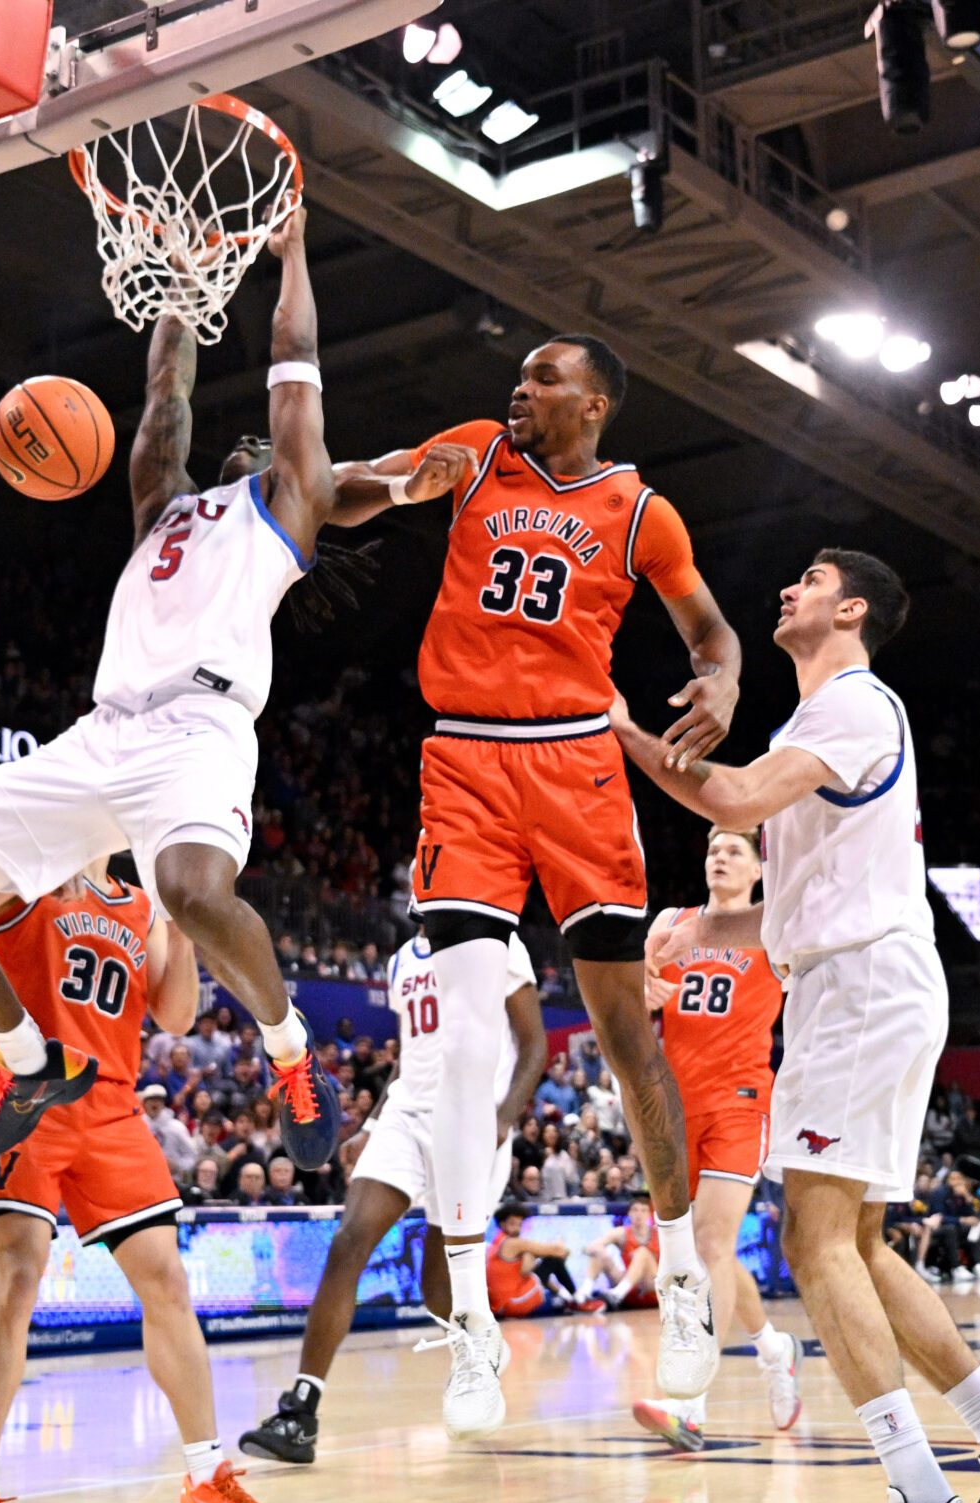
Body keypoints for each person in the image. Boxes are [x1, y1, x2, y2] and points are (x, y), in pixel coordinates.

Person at [612, 547, 980, 1503]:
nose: (787, 586)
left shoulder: (853, 703)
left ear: (854, 606)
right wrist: (705, 936)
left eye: (812, 577)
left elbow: (728, 794)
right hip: (865, 977)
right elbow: (803, 893)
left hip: (860, 986)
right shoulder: (826, 721)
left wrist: (615, 726)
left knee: (813, 1235)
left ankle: (919, 1499)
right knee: (861, 1246)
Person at [0, 210, 343, 1183]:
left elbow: (293, 354)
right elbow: (163, 390)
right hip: (104, 731)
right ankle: (23, 1059)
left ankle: (292, 1052)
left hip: (200, 731)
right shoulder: (162, 508)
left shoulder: (289, 506)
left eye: (267, 441)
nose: (255, 440)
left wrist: (293, 252)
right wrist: (179, 287)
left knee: (187, 890)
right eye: (248, 439)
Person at [330, 330, 743, 1418]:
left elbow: (709, 630)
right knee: (463, 1042)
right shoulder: (469, 457)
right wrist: (324, 486)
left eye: (542, 378)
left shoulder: (642, 511)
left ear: (594, 403)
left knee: (622, 1037)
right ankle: (470, 1322)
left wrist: (725, 684)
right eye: (517, 375)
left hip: (576, 765)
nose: (519, 389)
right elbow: (367, 494)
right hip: (463, 757)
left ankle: (685, 1280)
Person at [0, 860, 285, 1503]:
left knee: (166, 1277)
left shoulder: (139, 903)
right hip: (25, 1089)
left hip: (112, 1104)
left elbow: (175, 1015)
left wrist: (183, 927)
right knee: (17, 1273)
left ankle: (205, 1478)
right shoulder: (26, 869)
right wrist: (27, 868)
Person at [239, 918, 544, 1461]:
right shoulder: (403, 958)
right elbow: (412, 1057)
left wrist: (505, 1113)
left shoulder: (500, 942)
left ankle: (477, 1353)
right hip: (407, 1114)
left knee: (436, 1285)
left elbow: (534, 1043)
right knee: (349, 1240)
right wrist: (374, 1125)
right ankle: (301, 1411)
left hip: (471, 1117)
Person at [628, 829, 801, 1453]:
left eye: (735, 850)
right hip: (673, 1106)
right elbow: (634, 984)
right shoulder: (673, 922)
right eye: (711, 848)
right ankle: (774, 1348)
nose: (719, 857)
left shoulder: (774, 925)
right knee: (706, 1256)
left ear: (760, 869)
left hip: (741, 1101)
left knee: (709, 1244)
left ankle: (690, 1405)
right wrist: (642, 987)